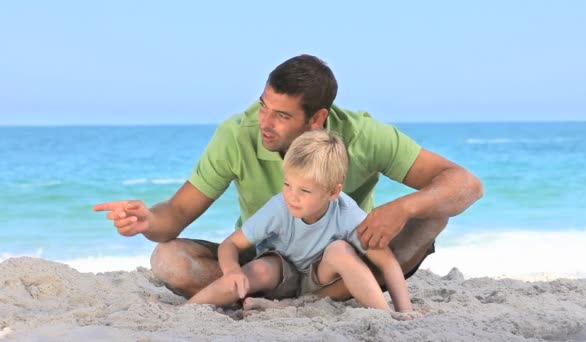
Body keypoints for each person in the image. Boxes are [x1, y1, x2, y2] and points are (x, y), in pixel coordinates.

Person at [93, 54, 483, 301]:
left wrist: (402, 207)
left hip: (344, 260)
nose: (265, 123)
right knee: (168, 258)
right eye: (264, 106)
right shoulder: (237, 134)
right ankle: (279, 295)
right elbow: (177, 212)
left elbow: (465, 184)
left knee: (434, 211)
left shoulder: (363, 135)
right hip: (269, 260)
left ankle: (333, 293)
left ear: (317, 118)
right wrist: (147, 222)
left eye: (281, 116)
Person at [187, 130, 415, 318]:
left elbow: (387, 263)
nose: (292, 196)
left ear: (333, 191)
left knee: (341, 250)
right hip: (280, 276)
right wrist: (232, 271)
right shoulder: (279, 207)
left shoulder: (347, 213)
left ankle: (385, 316)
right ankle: (188, 309)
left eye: (304, 190)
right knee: (260, 268)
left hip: (321, 282)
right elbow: (231, 245)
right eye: (287, 184)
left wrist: (405, 311)